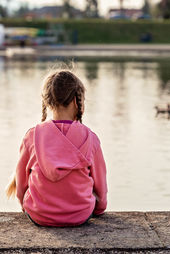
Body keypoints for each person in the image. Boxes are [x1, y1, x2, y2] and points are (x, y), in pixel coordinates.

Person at [6, 70, 107, 227]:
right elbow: (100, 187)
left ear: (47, 102)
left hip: (39, 214)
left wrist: (24, 206)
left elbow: (21, 183)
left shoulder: (32, 136)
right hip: (80, 215)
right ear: (76, 101)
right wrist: (99, 209)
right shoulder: (90, 138)